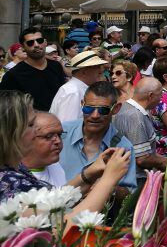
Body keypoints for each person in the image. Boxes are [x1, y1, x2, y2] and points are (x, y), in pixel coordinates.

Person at [0, 90, 132, 214]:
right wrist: (108, 180)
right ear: (9, 132)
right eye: (30, 125)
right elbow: (63, 223)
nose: (36, 131)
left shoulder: (15, 168)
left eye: (59, 135)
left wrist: (88, 174)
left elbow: (53, 200)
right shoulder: (12, 184)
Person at [59, 81, 137, 191]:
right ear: (82, 104)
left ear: (116, 108)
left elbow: (128, 193)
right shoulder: (61, 134)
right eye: (89, 109)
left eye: (103, 110)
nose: (95, 115)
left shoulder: (123, 147)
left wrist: (109, 188)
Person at [113, 77, 166, 186]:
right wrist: (163, 162)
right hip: (133, 181)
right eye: (160, 95)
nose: (161, 99)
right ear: (150, 96)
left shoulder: (127, 108)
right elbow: (142, 159)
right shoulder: (135, 117)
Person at [0, 27, 66, 111]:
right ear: (23, 47)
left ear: (45, 42)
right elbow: (7, 107)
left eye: (40, 41)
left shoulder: (56, 66)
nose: (36, 45)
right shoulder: (13, 75)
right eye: (30, 43)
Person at [49, 49, 109, 123]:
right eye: (97, 67)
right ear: (84, 72)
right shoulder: (73, 92)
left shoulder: (77, 89)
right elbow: (68, 126)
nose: (101, 70)